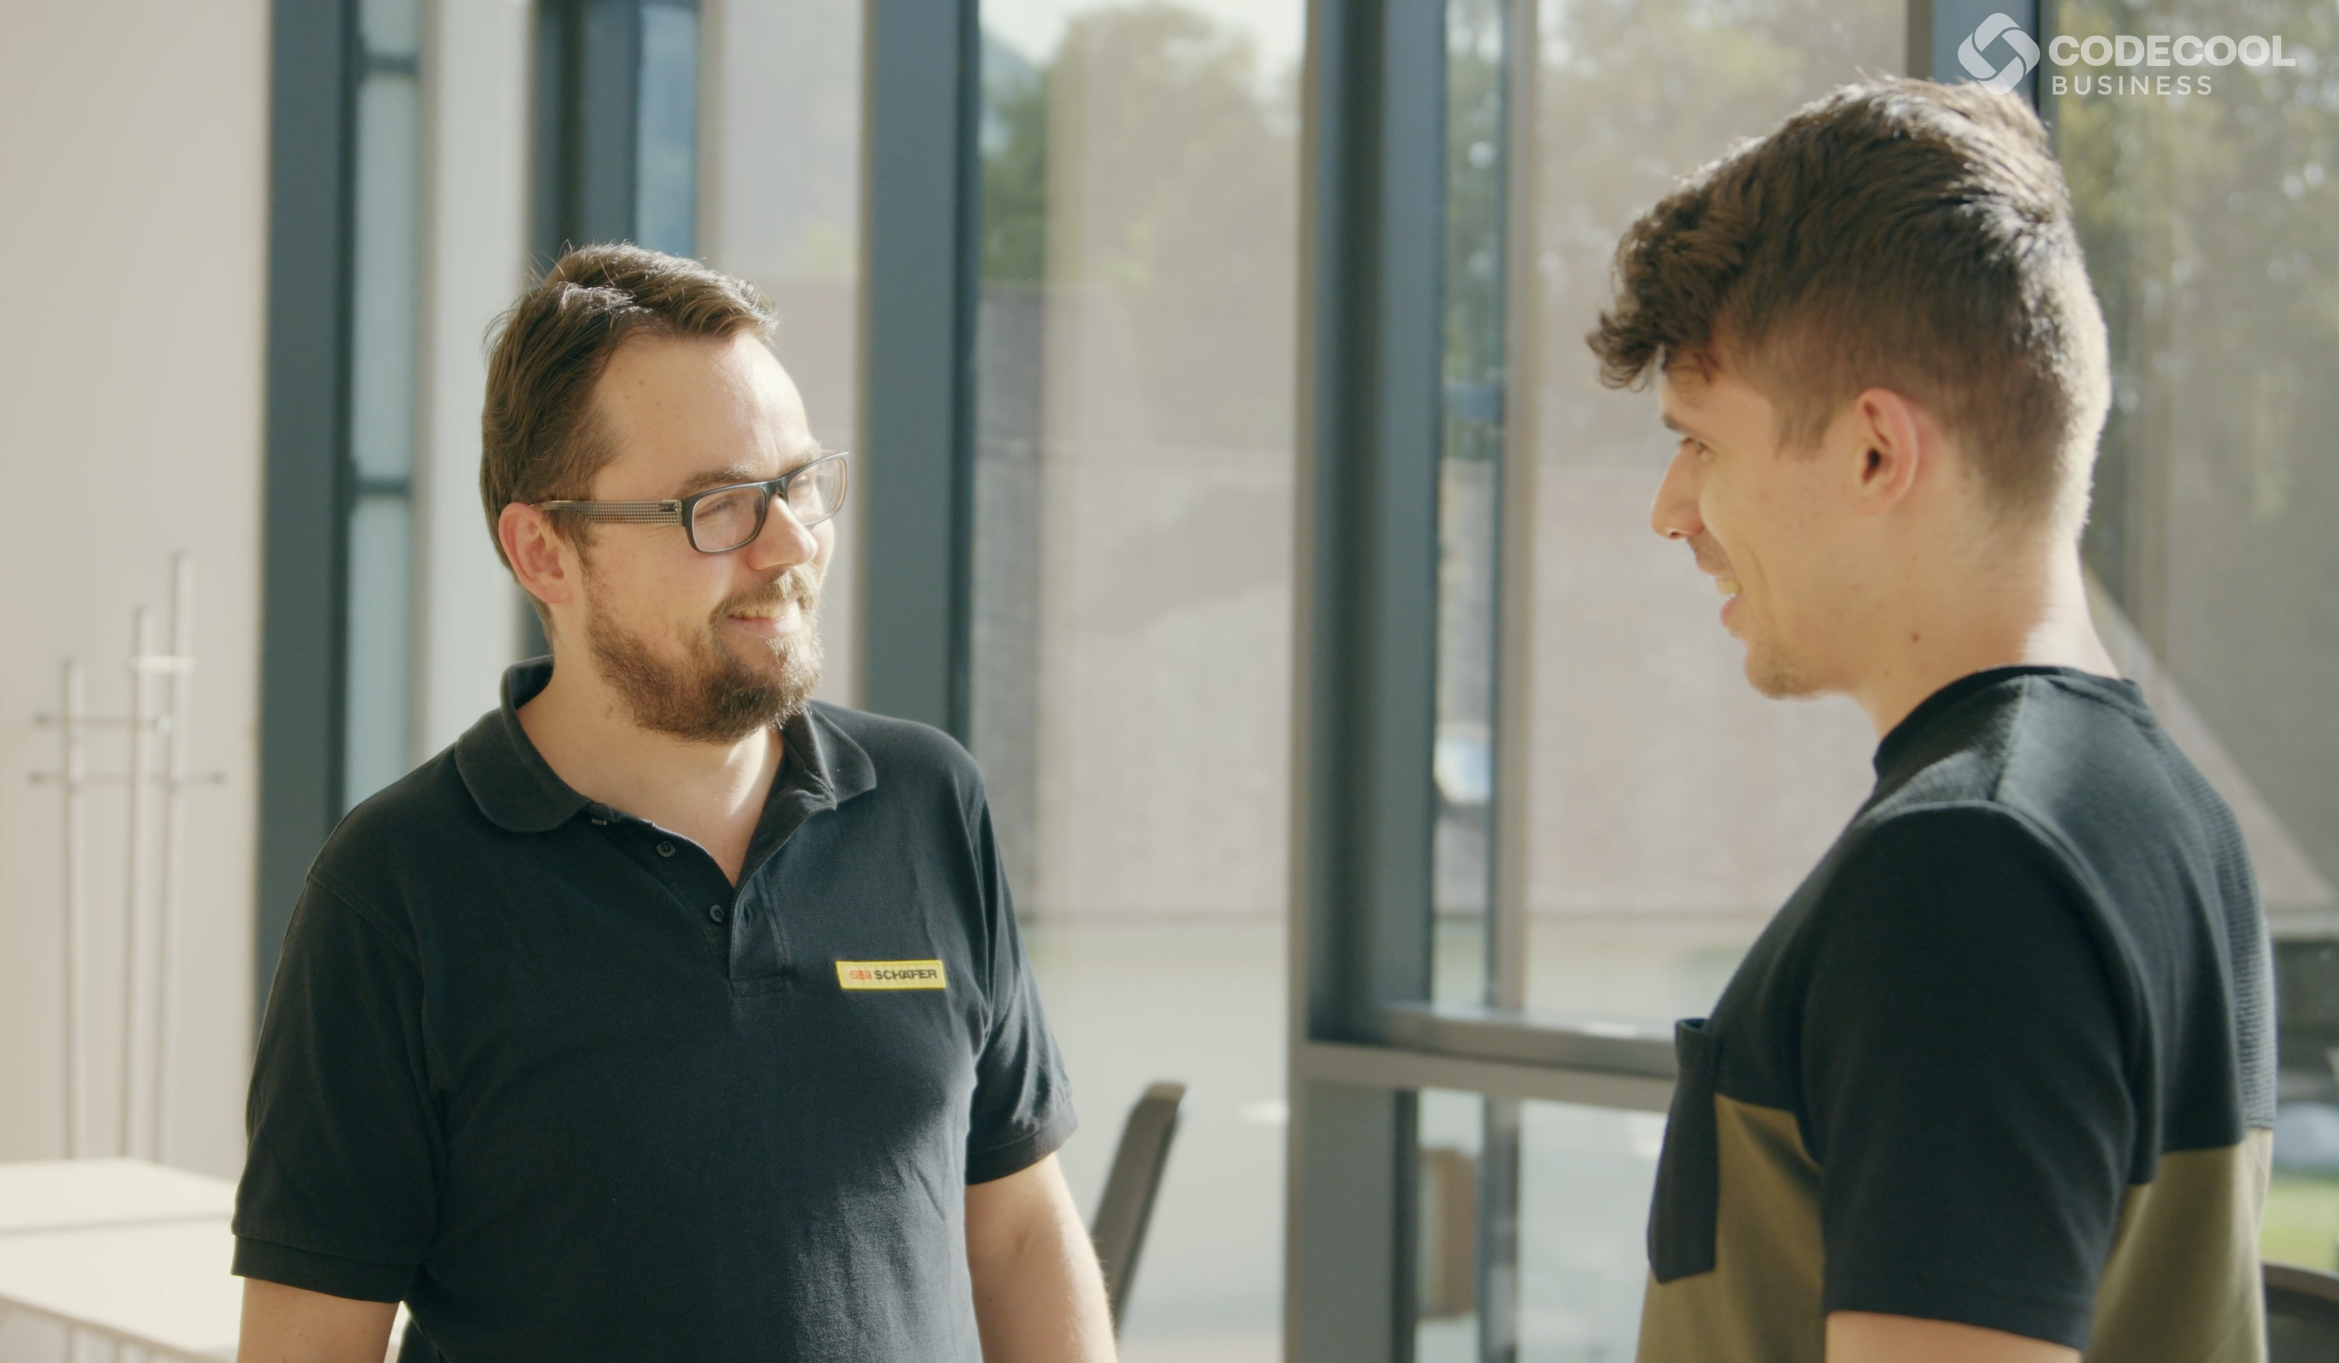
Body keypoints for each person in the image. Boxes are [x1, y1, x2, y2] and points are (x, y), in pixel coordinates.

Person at [233, 245, 1115, 1362]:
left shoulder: (927, 803)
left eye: (798, 484)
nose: (789, 544)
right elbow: (310, 1342)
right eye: (718, 506)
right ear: (545, 551)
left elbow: (1018, 1231)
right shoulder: (397, 890)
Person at [1589, 80, 2272, 1363]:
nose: (1670, 511)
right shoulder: (2161, 816)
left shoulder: (1964, 871)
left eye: (1701, 445)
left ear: (1873, 453)